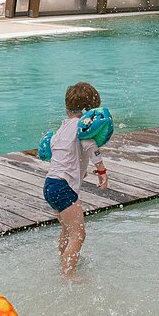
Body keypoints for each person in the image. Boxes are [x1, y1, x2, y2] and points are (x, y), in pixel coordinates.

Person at [42, 82, 110, 274]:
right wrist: (102, 171)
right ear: (90, 111)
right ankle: (68, 273)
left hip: (50, 185)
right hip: (64, 188)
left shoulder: (61, 130)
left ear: (67, 109)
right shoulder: (83, 129)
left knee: (66, 230)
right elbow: (90, 147)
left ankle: (63, 260)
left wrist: (80, 171)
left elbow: (62, 154)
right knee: (78, 235)